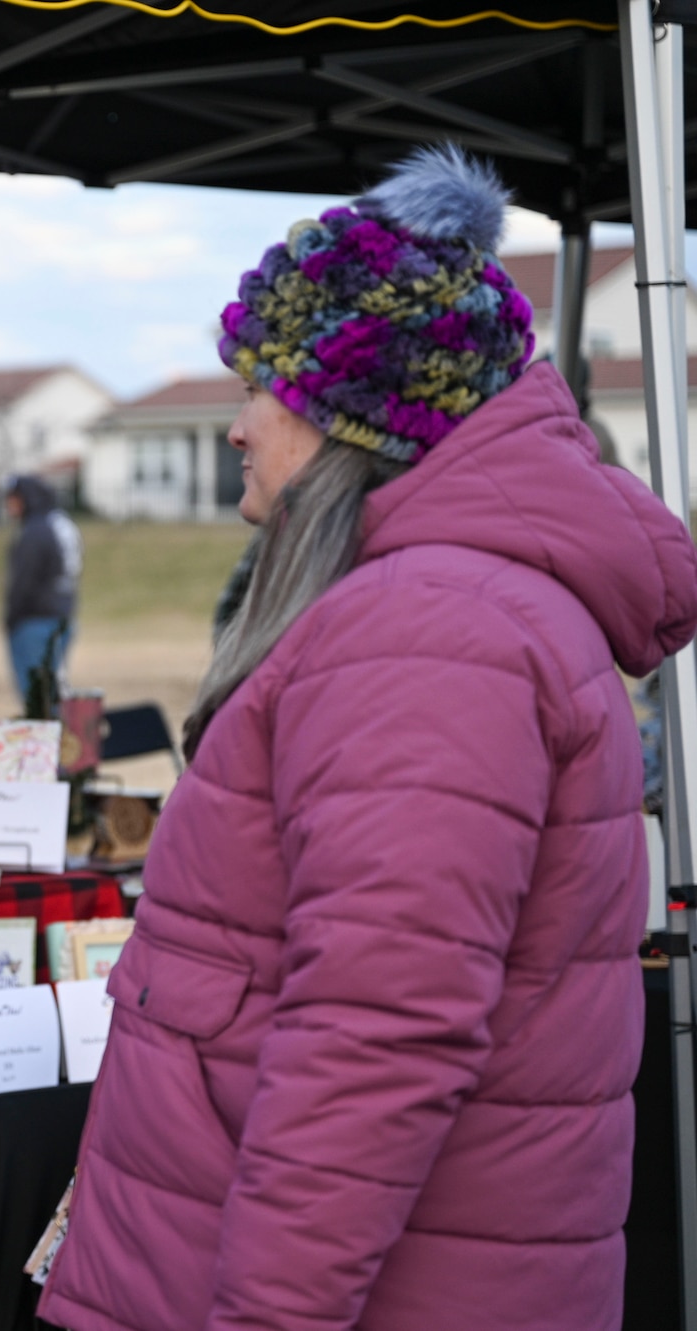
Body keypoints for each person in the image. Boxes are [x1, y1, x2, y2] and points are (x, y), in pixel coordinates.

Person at [37, 147, 697, 1331]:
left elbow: (373, 1037)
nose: (235, 426)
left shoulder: (428, 629)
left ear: (349, 417)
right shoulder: (443, 607)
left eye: (257, 387)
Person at [1, 474, 81, 704]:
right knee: (54, 690)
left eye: (13, 498)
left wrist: (10, 617)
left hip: (34, 619)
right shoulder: (60, 525)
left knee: (37, 698)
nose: (9, 504)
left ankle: (47, 739)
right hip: (62, 614)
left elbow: (24, 581)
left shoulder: (35, 532)